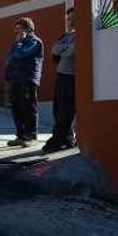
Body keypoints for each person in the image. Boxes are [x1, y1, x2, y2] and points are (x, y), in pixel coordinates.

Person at [4, 17, 44, 147]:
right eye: (15, 29)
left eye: (19, 29)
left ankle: (31, 136)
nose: (16, 32)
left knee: (28, 107)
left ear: (27, 29)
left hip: (28, 79)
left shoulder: (35, 42)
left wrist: (19, 43)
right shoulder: (17, 42)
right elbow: (9, 58)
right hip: (15, 79)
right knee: (16, 107)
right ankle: (20, 135)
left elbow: (21, 54)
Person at [43, 8, 76, 153]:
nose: (70, 21)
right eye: (68, 19)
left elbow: (71, 52)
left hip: (72, 77)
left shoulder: (80, 34)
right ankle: (68, 139)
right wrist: (64, 48)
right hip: (61, 76)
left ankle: (56, 140)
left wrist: (63, 49)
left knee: (66, 110)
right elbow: (54, 49)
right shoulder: (66, 36)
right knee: (57, 109)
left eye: (73, 18)